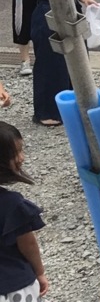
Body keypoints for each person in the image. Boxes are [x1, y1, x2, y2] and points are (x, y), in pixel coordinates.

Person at [27, 0, 98, 127]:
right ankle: (46, 111)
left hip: (73, 10)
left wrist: (88, 0)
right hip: (47, 10)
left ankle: (75, 107)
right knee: (50, 62)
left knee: (78, 59)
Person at [0, 121, 49, 302]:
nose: (22, 157)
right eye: (16, 153)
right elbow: (28, 244)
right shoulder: (12, 204)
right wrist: (40, 272)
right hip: (16, 286)